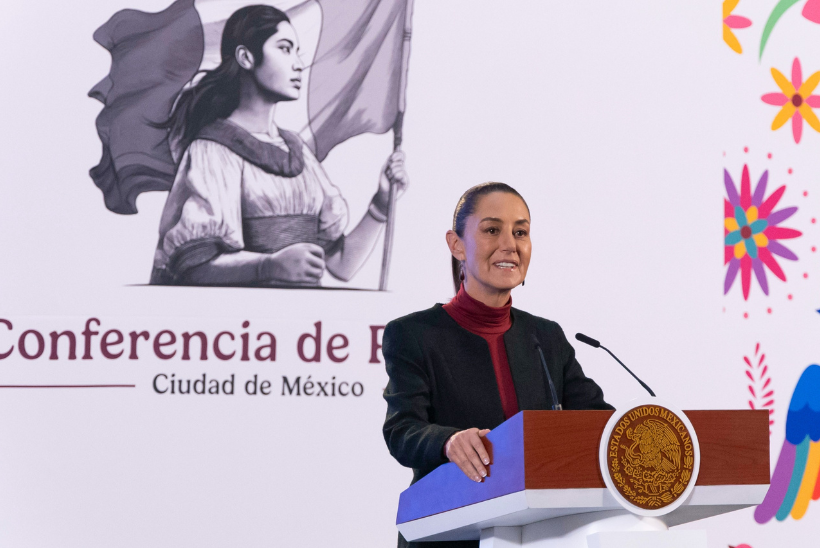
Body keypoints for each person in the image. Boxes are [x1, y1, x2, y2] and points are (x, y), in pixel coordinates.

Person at [382, 182, 613, 548]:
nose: (510, 244)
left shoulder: (546, 337)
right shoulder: (413, 335)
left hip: (540, 535)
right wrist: (449, 441)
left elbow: (599, 423)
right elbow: (402, 430)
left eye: (520, 232)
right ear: (456, 244)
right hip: (449, 534)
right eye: (492, 230)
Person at [150, 5, 408, 286]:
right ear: (246, 57)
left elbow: (341, 265)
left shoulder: (298, 152)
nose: (298, 64)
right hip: (244, 325)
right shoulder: (213, 151)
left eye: (297, 51)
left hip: (305, 324)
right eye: (285, 49)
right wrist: (267, 266)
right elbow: (193, 269)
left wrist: (381, 205)